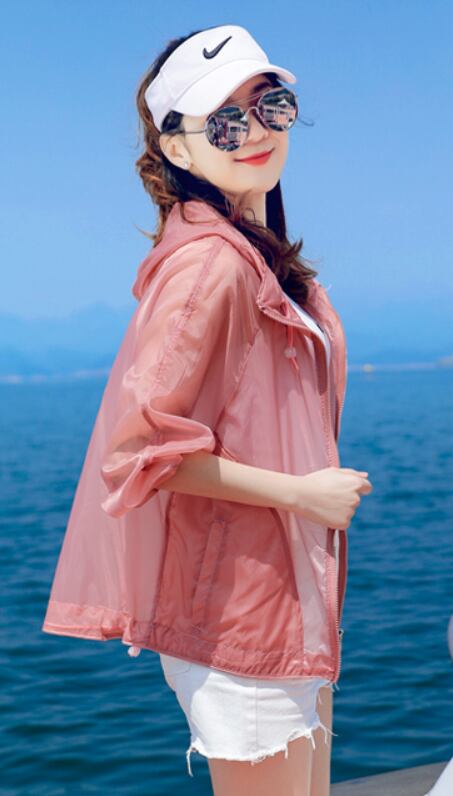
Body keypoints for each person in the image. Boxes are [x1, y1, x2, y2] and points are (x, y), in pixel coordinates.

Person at [42, 23, 372, 796]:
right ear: (177, 150)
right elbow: (139, 454)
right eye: (223, 122)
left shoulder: (253, 255)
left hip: (282, 601)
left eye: (270, 105)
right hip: (237, 613)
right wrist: (302, 494)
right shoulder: (207, 266)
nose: (254, 131)